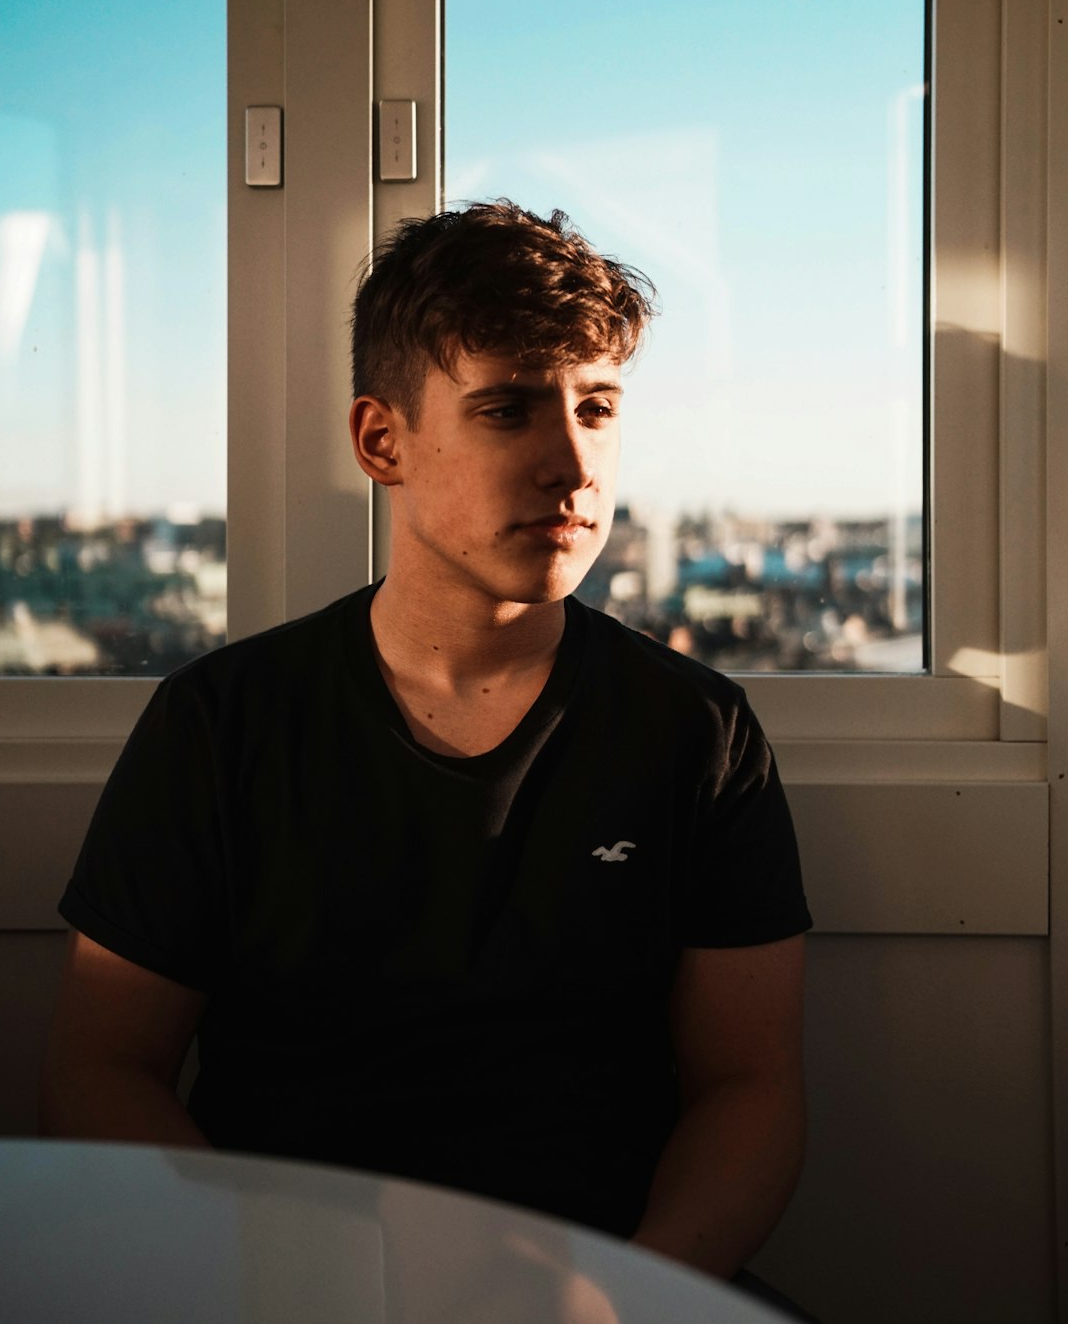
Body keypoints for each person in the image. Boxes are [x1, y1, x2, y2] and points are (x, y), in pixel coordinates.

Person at [40, 199, 814, 1308]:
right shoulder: (224, 723)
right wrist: (262, 1278)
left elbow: (749, 1087)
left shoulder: (695, 730)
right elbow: (98, 1072)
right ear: (380, 441)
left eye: (597, 408)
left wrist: (637, 1291)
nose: (573, 462)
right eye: (507, 410)